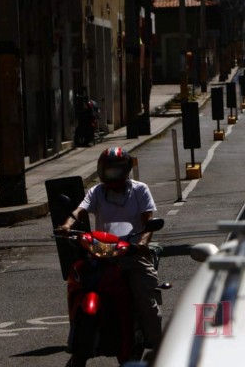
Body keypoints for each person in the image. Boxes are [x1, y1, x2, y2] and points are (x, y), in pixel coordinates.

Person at [59, 146, 162, 352]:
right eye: (107, 169)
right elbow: (80, 210)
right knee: (79, 281)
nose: (111, 173)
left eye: (115, 169)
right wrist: (67, 225)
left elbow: (147, 221)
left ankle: (159, 347)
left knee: (145, 299)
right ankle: (77, 337)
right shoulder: (96, 191)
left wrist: (141, 244)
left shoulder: (140, 189)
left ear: (125, 169)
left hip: (131, 253)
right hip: (102, 252)